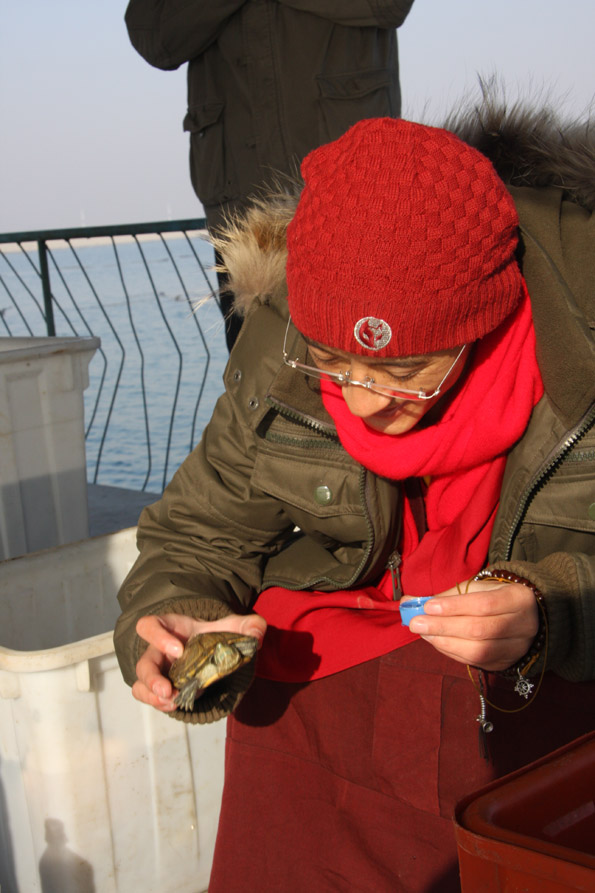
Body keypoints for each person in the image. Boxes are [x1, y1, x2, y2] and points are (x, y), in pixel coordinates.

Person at [114, 96, 595, 891]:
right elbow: (197, 534)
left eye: (407, 370)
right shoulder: (284, 347)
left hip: (538, 720)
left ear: (488, 316)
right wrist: (166, 623)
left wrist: (556, 605)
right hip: (318, 714)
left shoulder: (578, 342)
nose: (364, 398)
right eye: (335, 364)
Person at [124, 0, 415, 349]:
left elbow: (389, 6)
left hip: (356, 199)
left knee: (374, 378)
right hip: (244, 216)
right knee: (260, 389)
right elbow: (152, 35)